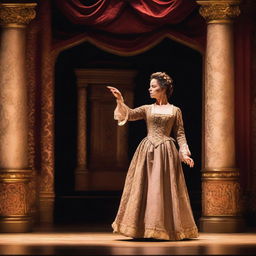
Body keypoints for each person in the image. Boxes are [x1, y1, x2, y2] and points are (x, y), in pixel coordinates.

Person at [107, 72, 198, 240]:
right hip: (147, 150)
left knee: (162, 189)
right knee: (146, 187)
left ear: (163, 89)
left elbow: (180, 134)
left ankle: (164, 228)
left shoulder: (175, 110)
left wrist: (184, 152)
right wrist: (120, 99)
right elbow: (130, 114)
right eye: (150, 86)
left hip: (166, 153)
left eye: (154, 86)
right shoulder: (147, 108)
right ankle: (142, 228)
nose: (150, 89)